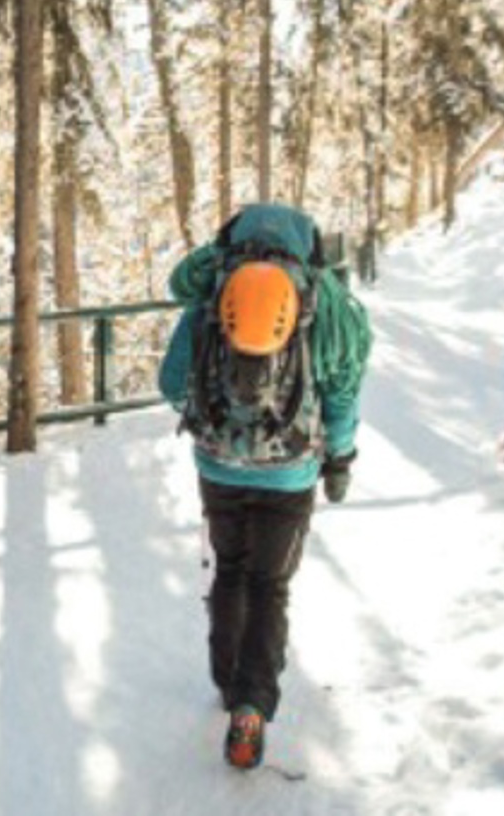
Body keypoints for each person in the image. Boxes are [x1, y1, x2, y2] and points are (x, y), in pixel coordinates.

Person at [158, 202, 373, 771]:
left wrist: (212, 421)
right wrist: (340, 458)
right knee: (270, 585)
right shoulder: (325, 302)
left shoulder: (214, 294)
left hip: (218, 467)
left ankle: (228, 680)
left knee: (230, 570)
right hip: (291, 471)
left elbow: (170, 380)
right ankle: (252, 705)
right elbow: (344, 390)